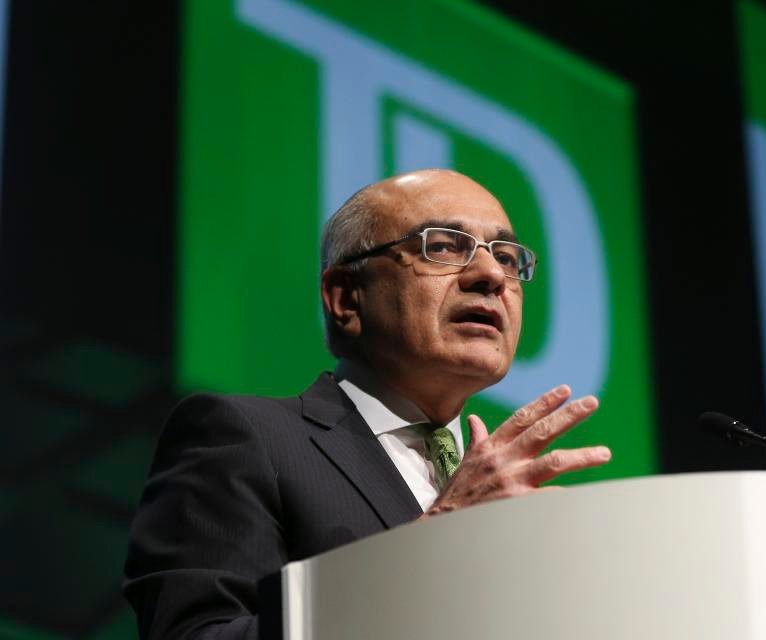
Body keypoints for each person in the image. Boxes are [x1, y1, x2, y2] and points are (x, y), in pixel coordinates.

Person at [123, 169, 612, 639]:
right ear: (346, 299)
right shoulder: (244, 438)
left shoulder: (502, 494)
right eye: (442, 246)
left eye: (506, 257)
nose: (490, 275)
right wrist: (440, 536)